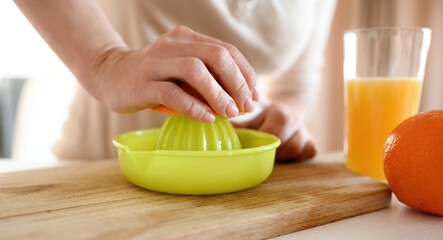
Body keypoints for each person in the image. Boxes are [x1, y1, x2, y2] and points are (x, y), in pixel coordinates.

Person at [14, 0, 336, 161]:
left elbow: (296, 87)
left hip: (235, 200)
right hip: (98, 177)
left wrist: (285, 119)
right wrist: (106, 61)